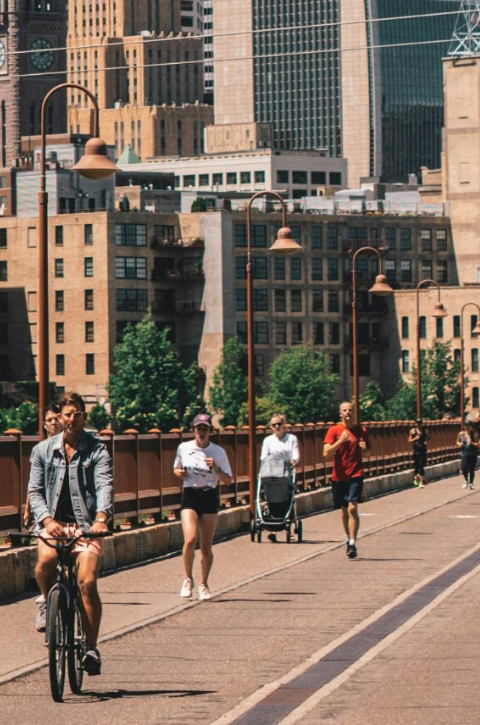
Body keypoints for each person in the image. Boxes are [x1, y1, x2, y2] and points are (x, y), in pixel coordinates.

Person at [28, 392, 113, 676]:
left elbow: (104, 485)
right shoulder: (42, 450)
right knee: (45, 563)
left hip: (87, 525)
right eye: (67, 414)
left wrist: (102, 517)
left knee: (87, 582)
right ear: (59, 418)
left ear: (84, 417)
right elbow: (35, 491)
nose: (72, 418)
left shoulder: (98, 450)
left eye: (77, 413)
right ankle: (47, 602)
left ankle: (90, 647)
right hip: (54, 523)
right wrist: (46, 519)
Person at [174, 413, 232, 601]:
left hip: (209, 495)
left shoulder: (218, 452)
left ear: (210, 431)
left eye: (205, 428)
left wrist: (216, 468)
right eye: (199, 428)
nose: (201, 432)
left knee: (206, 547)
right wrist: (179, 473)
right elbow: (176, 467)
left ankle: (203, 584)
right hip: (190, 494)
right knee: (190, 540)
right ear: (194, 430)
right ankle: (188, 579)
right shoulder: (184, 447)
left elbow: (228, 480)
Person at [323, 401, 370, 559]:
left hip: (356, 474)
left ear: (354, 413)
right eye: (345, 410)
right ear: (340, 414)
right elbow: (326, 453)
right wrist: (340, 441)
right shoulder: (334, 430)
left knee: (352, 508)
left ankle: (352, 543)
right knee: (343, 510)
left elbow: (369, 453)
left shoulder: (361, 430)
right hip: (339, 476)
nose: (348, 412)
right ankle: (347, 536)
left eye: (350, 410)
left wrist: (365, 449)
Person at [260, 413, 300, 543]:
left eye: (279, 424)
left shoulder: (291, 439)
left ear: (284, 425)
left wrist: (293, 460)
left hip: (286, 471)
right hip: (272, 471)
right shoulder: (268, 440)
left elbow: (295, 454)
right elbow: (263, 456)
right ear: (271, 427)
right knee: (270, 493)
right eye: (274, 425)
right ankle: (271, 527)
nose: (277, 426)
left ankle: (286, 519)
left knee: (286, 494)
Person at [24, 406, 63, 528]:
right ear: (44, 424)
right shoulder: (39, 450)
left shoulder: (70, 447)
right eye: (49, 420)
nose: (54, 423)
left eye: (56, 419)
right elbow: (33, 483)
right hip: (44, 506)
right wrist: (27, 509)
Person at [457, 419, 480, 490]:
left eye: (468, 426)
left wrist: (472, 443)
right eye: (466, 426)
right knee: (463, 467)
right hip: (464, 453)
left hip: (472, 453)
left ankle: (471, 483)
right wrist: (459, 444)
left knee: (471, 469)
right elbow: (457, 441)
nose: (467, 427)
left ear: (471, 426)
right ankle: (466, 480)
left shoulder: (475, 434)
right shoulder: (461, 434)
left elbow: (478, 445)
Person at [408, 418, 429, 488]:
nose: (419, 425)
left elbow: (428, 437)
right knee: (416, 466)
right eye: (417, 423)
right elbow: (409, 440)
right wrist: (415, 438)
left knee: (421, 466)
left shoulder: (425, 431)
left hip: (423, 450)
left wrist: (426, 441)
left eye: (420, 423)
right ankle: (417, 478)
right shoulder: (413, 431)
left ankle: (421, 481)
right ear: (415, 424)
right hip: (416, 450)